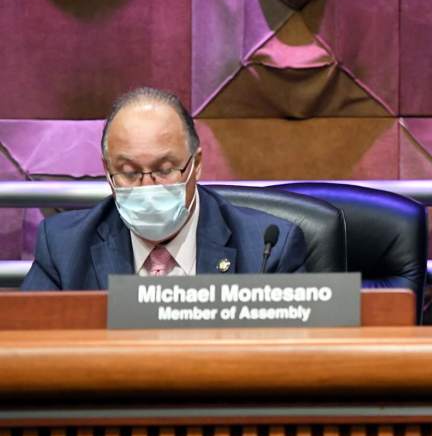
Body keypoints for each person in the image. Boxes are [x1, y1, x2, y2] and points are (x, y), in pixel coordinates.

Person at [22, 87, 307, 290]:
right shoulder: (64, 246)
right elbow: (32, 353)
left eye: (165, 169)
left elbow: (298, 361)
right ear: (107, 171)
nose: (147, 188)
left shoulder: (268, 250)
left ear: (196, 164)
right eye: (129, 173)